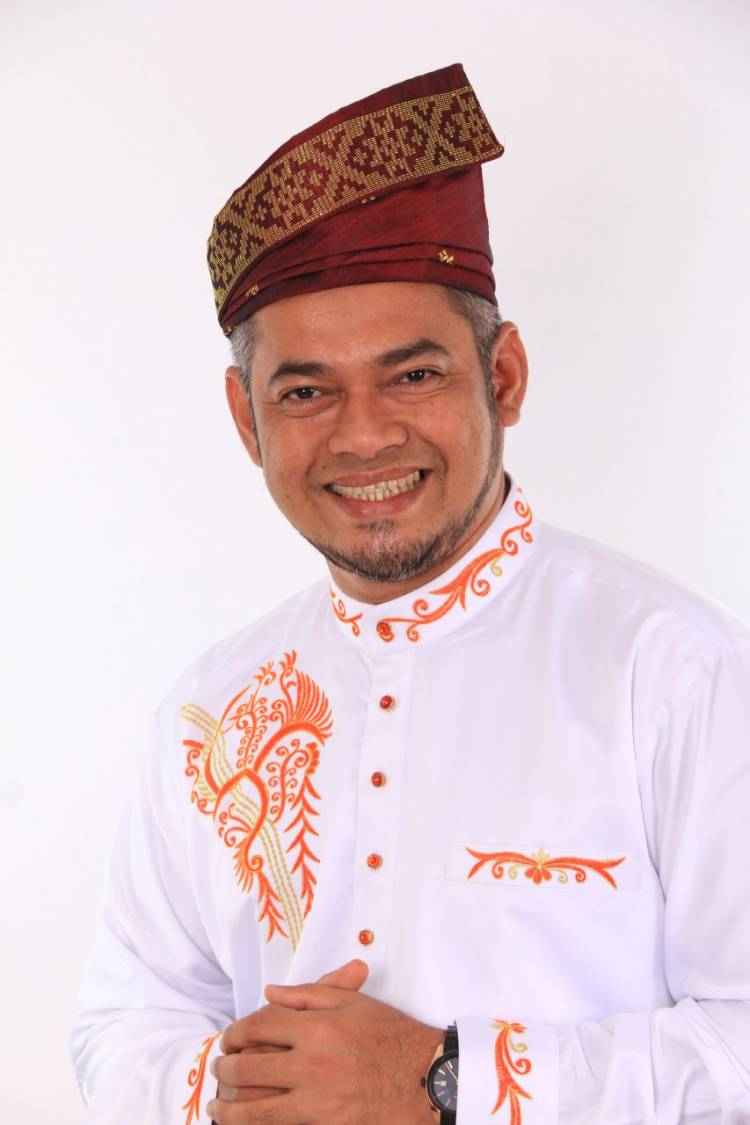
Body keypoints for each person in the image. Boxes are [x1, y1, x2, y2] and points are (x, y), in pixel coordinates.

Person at [70, 63, 750, 1124]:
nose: (365, 435)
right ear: (248, 421)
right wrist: (254, 1086)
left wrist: (447, 1076)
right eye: (306, 390)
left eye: (414, 374)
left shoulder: (672, 670)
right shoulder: (213, 706)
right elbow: (124, 1020)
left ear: (503, 377)